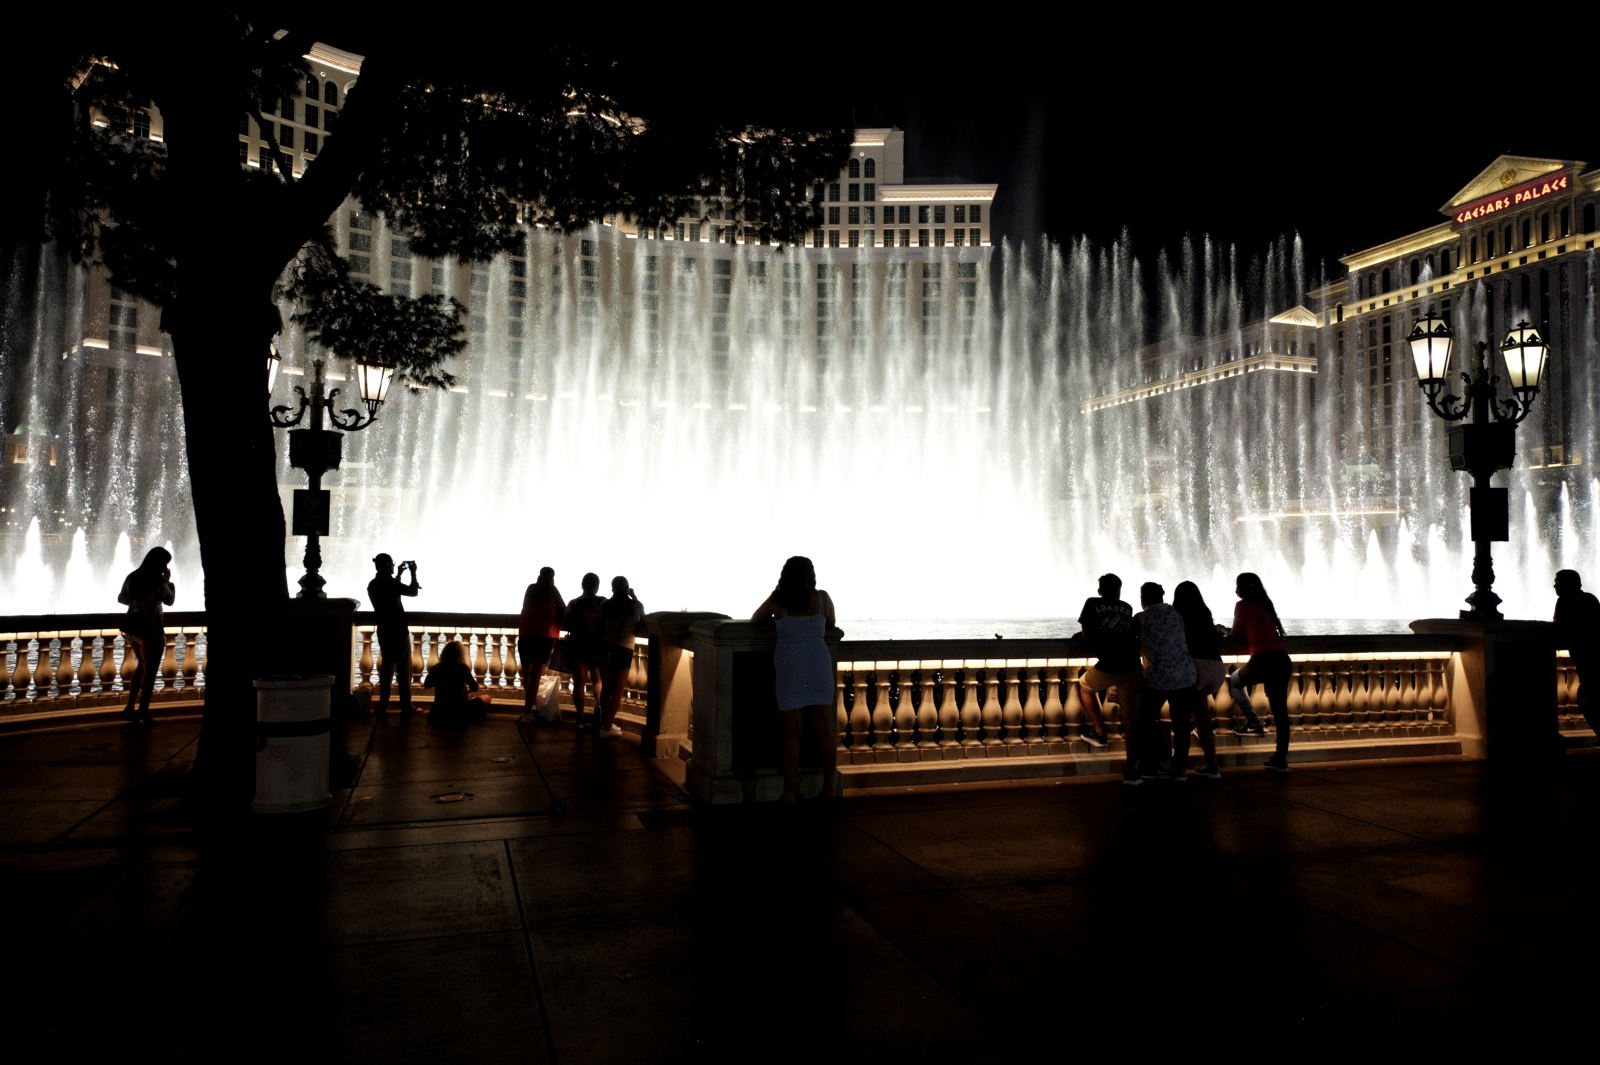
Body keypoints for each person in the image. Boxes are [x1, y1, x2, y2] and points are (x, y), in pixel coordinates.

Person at [752, 556, 839, 803]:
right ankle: (829, 788)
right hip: (818, 664)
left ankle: (789, 792)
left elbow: (755, 619)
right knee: (824, 731)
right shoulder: (822, 599)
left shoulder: (778, 600)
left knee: (792, 734)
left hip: (790, 667)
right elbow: (831, 623)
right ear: (811, 575)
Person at [1222, 572, 1291, 772]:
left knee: (1234, 681)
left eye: (1237, 585)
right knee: (1280, 712)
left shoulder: (1242, 605)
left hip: (1263, 660)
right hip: (1282, 660)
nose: (1235, 589)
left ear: (1242, 588)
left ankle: (1253, 723)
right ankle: (1281, 758)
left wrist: (1224, 631)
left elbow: (1235, 635)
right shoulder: (1265, 605)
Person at [1134, 582, 1196, 783]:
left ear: (1143, 599)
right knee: (1181, 725)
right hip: (1184, 675)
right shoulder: (1176, 614)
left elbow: (1130, 641)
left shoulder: (1141, 618)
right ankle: (1179, 769)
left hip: (1158, 678)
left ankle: (1148, 765)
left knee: (1145, 722)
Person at [1075, 573, 1141, 762]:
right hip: (1133, 665)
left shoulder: (1092, 603)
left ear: (1100, 591)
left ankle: (1099, 732)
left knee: (1085, 685)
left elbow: (1087, 633)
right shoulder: (1127, 607)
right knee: (1130, 718)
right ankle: (1133, 767)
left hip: (1111, 664)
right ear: (1119, 590)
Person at [117, 546, 175, 727]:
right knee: (150, 672)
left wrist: (138, 601)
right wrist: (169, 582)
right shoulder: (157, 579)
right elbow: (170, 600)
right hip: (151, 630)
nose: (165, 567)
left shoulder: (133, 576)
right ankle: (143, 710)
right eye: (164, 563)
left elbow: (122, 599)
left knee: (141, 667)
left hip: (133, 629)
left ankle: (129, 708)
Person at [1172, 580, 1224, 779]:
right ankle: (1212, 765)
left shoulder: (1178, 616)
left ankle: (1180, 766)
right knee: (1203, 720)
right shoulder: (1205, 613)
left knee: (1183, 719)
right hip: (1216, 669)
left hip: (1196, 668)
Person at [368, 553, 420, 716]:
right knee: (404, 671)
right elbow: (413, 592)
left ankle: (382, 706)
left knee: (387, 671)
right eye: (391, 564)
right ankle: (406, 706)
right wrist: (413, 573)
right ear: (386, 566)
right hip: (398, 631)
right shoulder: (391, 583)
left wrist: (398, 574)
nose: (393, 566)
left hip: (384, 631)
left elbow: (391, 591)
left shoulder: (373, 584)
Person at [595, 576, 644, 739]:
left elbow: (592, 618)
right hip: (624, 649)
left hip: (605, 647)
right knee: (617, 692)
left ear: (612, 589)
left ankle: (605, 723)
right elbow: (642, 620)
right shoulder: (635, 605)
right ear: (627, 589)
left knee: (606, 688)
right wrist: (634, 596)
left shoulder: (606, 605)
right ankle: (606, 727)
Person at [1554, 569, 1600, 737]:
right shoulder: (1590, 599)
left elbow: (1559, 631)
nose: (1554, 586)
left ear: (1568, 584)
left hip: (1587, 658)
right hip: (1589, 656)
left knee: (1587, 697)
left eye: (1558, 583)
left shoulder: (1564, 602)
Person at [517, 567, 565, 725]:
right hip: (544, 636)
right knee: (535, 675)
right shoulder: (552, 591)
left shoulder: (530, 589)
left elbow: (525, 607)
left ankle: (529, 708)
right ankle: (528, 711)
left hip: (526, 635)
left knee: (527, 674)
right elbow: (563, 610)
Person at [563, 573, 606, 729]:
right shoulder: (602, 602)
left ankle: (580, 719)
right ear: (597, 586)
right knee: (598, 680)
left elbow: (565, 624)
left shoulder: (573, 603)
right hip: (595, 644)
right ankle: (600, 712)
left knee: (579, 683)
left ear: (582, 585)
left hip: (577, 644)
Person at [423, 640, 491, 727]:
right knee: (486, 697)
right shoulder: (462, 668)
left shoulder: (436, 668)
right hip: (459, 712)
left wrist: (442, 684)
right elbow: (474, 688)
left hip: (437, 713)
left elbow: (427, 685)